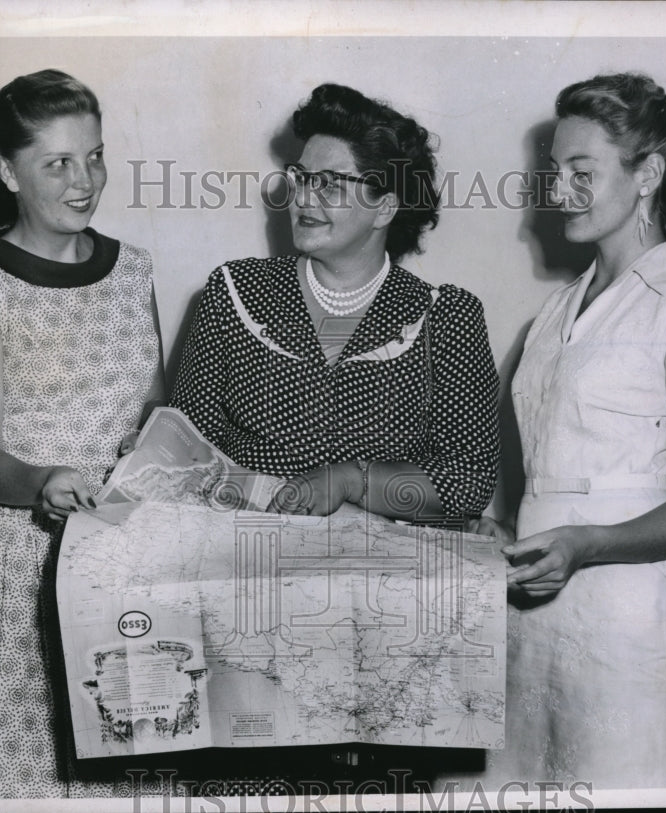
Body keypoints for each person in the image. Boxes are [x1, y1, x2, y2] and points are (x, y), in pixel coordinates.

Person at [167, 83, 500, 789]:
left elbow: (470, 479)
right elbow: (181, 456)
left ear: (385, 204)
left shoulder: (447, 317)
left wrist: (352, 479)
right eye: (299, 177)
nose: (302, 196)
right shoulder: (232, 296)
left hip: (385, 641)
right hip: (245, 626)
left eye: (328, 181)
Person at [0, 69, 164, 798]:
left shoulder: (134, 272)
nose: (85, 181)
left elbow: (152, 417)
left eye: (95, 156)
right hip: (10, 560)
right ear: (6, 171)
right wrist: (44, 482)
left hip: (113, 550)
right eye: (58, 163)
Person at [475, 72, 666, 788]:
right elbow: (545, 486)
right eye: (554, 171)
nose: (558, 191)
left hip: (631, 638)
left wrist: (587, 545)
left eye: (581, 171)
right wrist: (497, 533)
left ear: (647, 174)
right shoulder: (553, 317)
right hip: (533, 629)